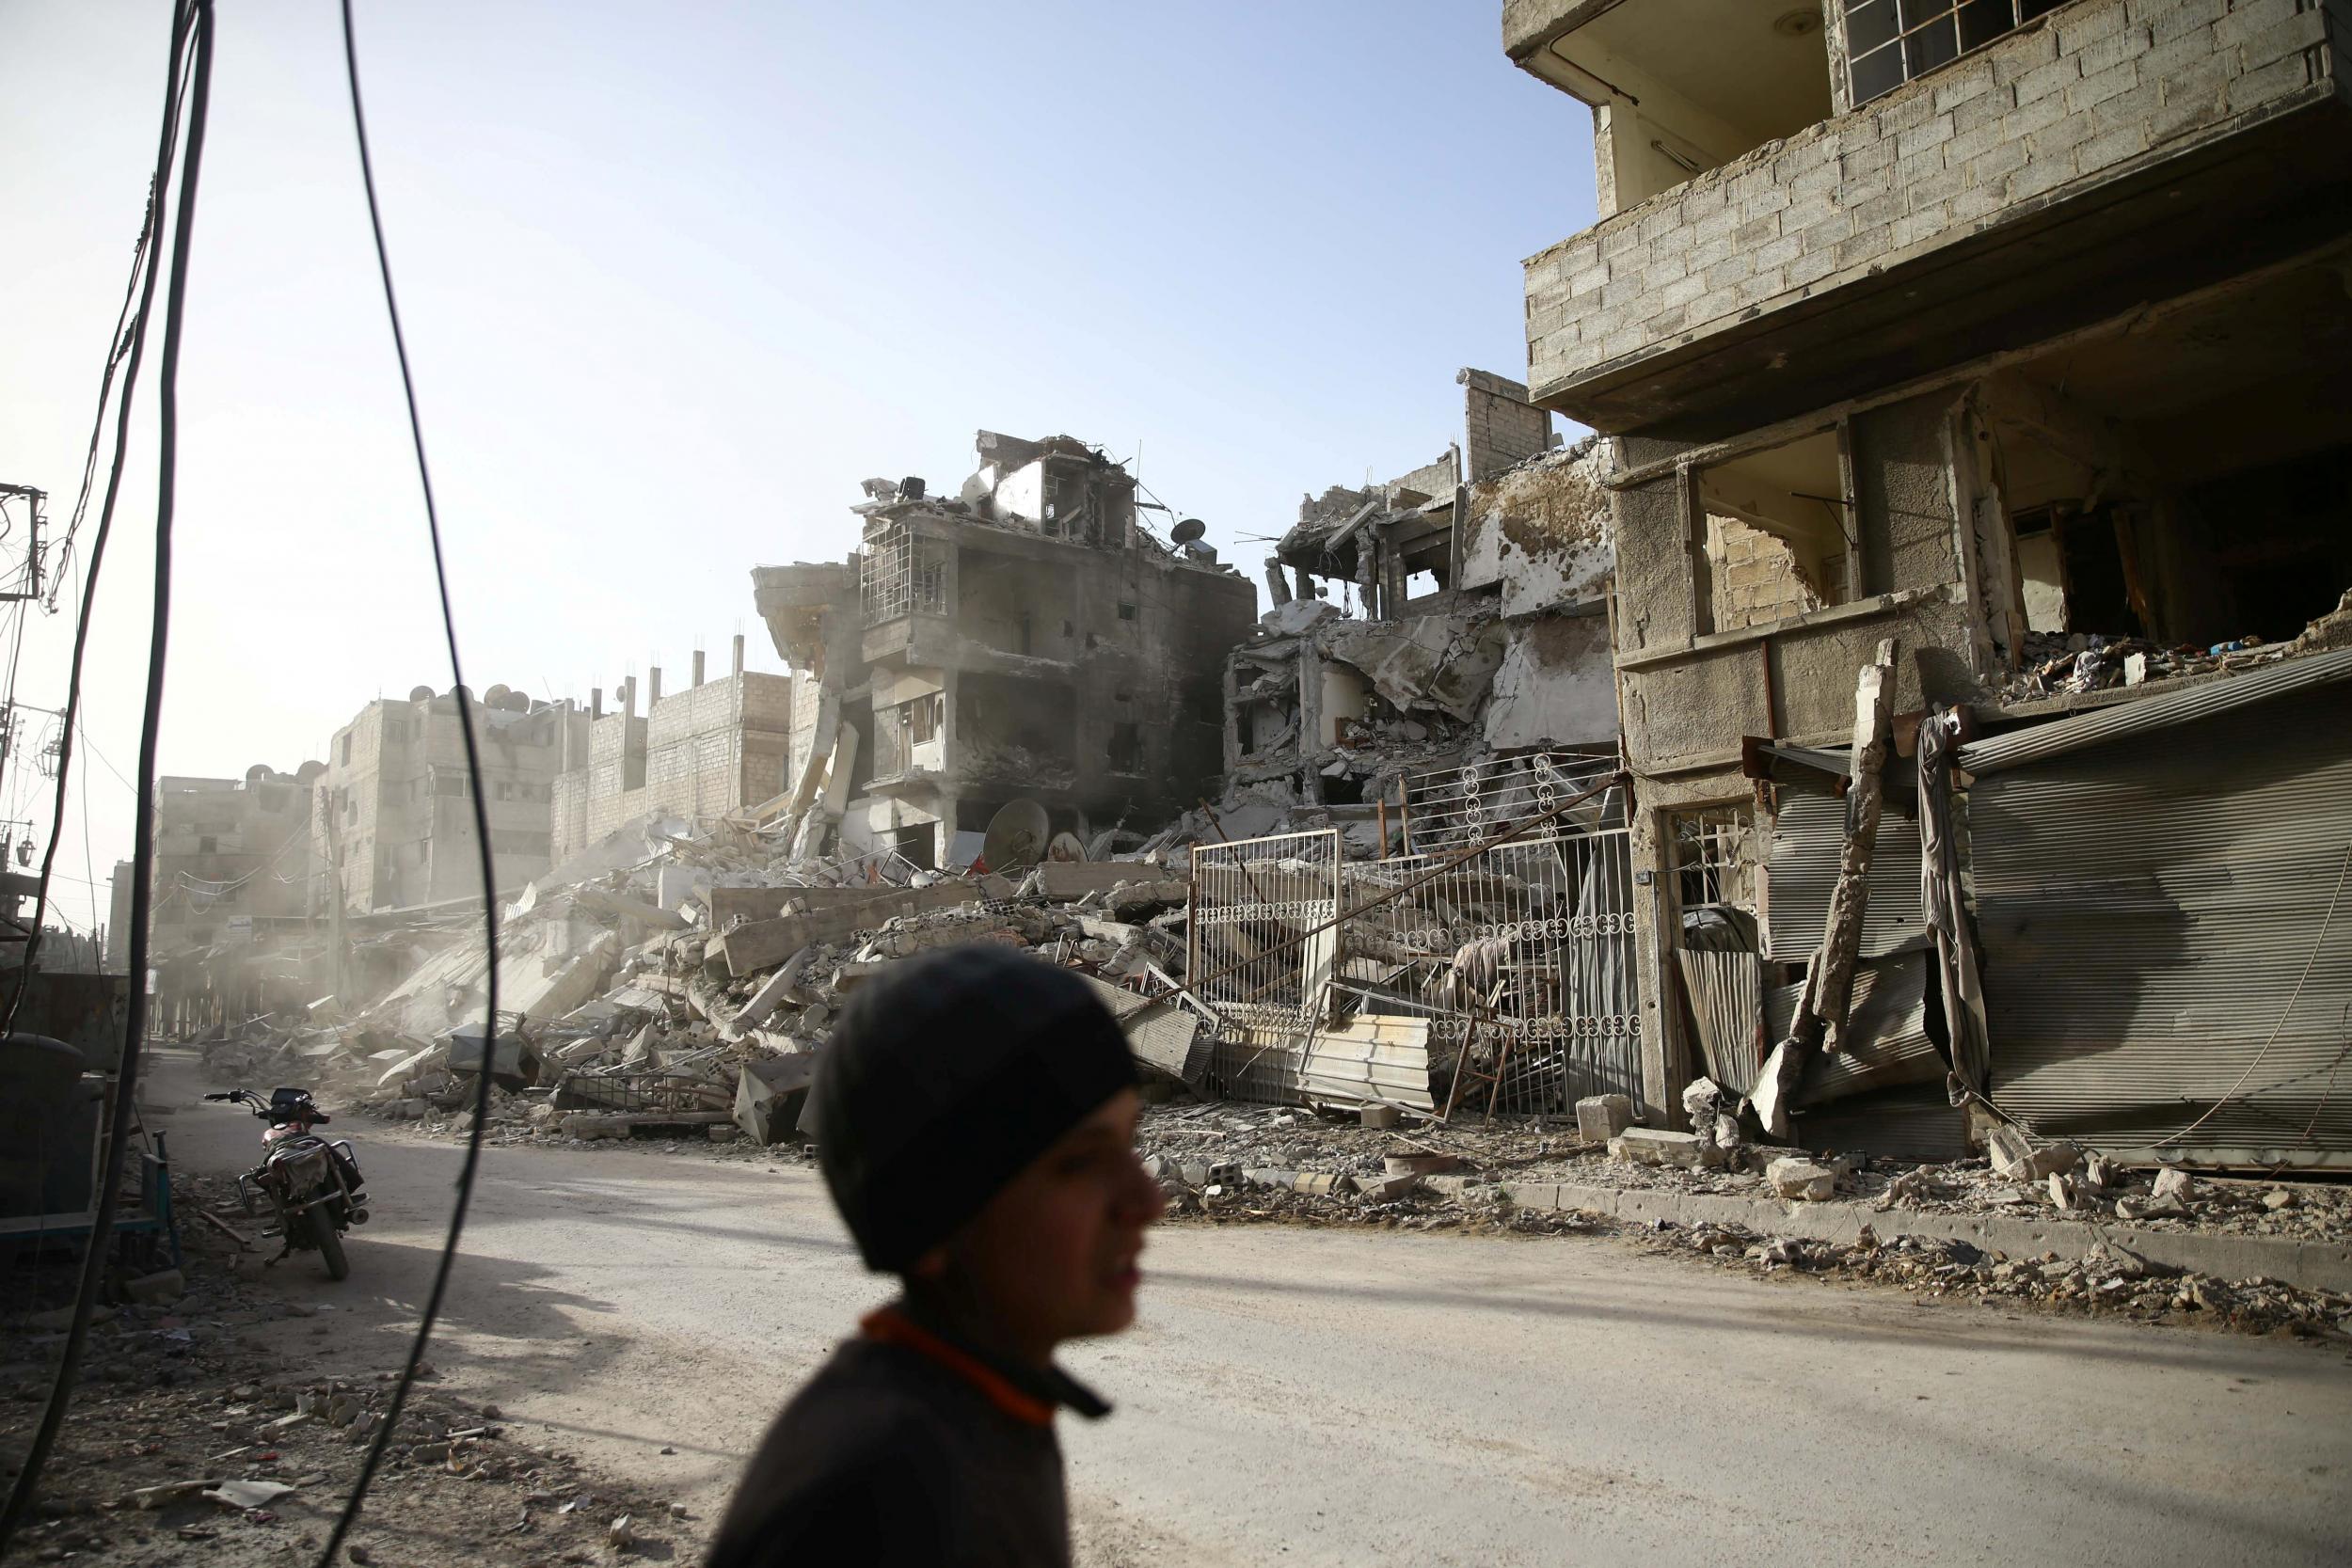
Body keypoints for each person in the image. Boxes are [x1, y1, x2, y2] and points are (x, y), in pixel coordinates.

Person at [707, 943, 1164, 1568]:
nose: (1148, 1199)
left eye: (1130, 1142)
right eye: (1079, 1162)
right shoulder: (890, 1502)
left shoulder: (978, 1407)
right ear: (934, 1218)